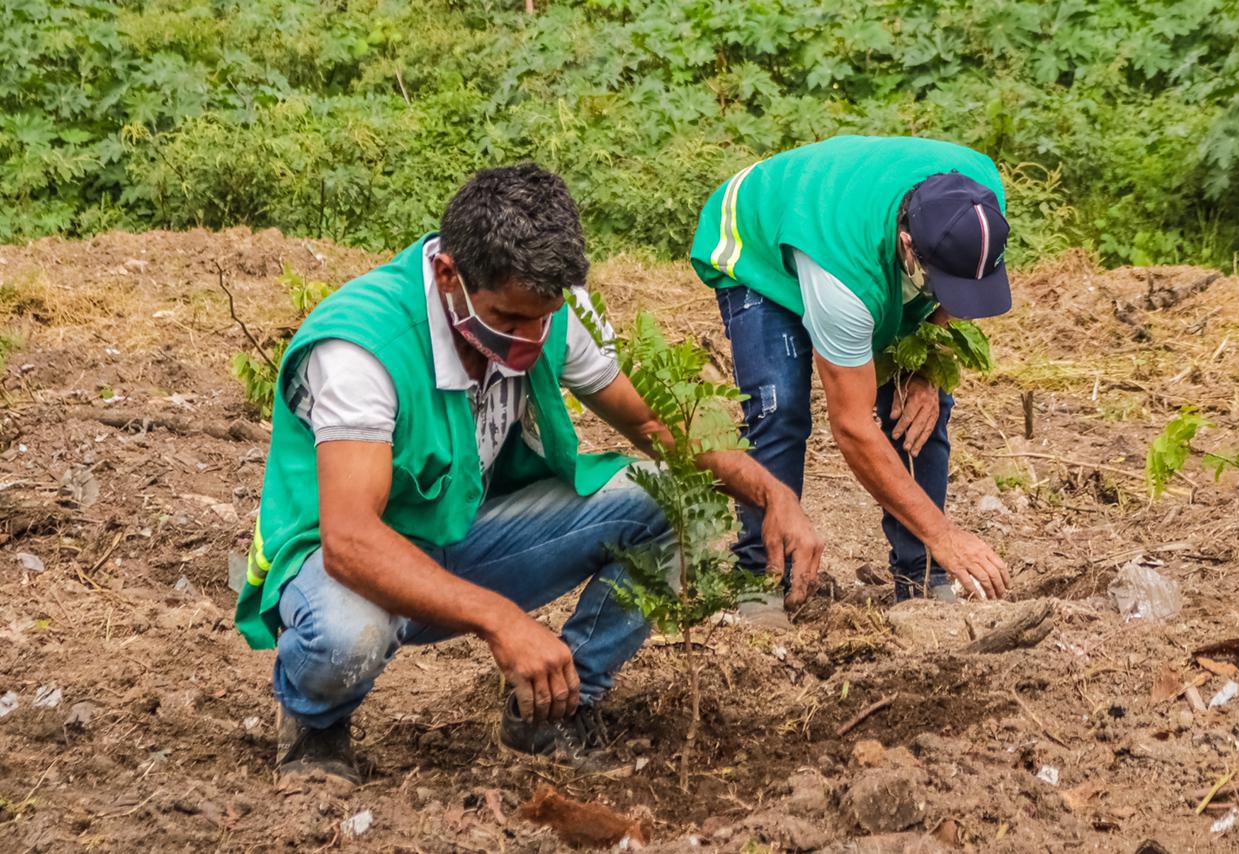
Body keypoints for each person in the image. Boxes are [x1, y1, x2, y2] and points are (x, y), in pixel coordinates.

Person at [234, 163, 823, 783]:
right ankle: (316, 726)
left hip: (461, 535)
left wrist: (771, 492)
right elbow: (350, 542)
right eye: (510, 321)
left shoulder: (549, 311)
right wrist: (501, 619)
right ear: (448, 276)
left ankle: (554, 706)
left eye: (542, 319)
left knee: (668, 500)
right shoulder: (361, 351)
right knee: (344, 638)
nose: (529, 340)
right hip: (341, 563)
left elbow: (656, 425)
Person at [690, 135, 1013, 604]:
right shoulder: (845, 280)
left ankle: (921, 580)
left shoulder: (981, 206)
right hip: (763, 236)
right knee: (779, 408)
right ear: (908, 246)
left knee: (922, 405)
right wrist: (945, 533)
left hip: (847, 218)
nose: (955, 311)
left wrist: (923, 367)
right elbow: (852, 426)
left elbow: (947, 309)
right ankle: (760, 584)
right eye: (943, 289)